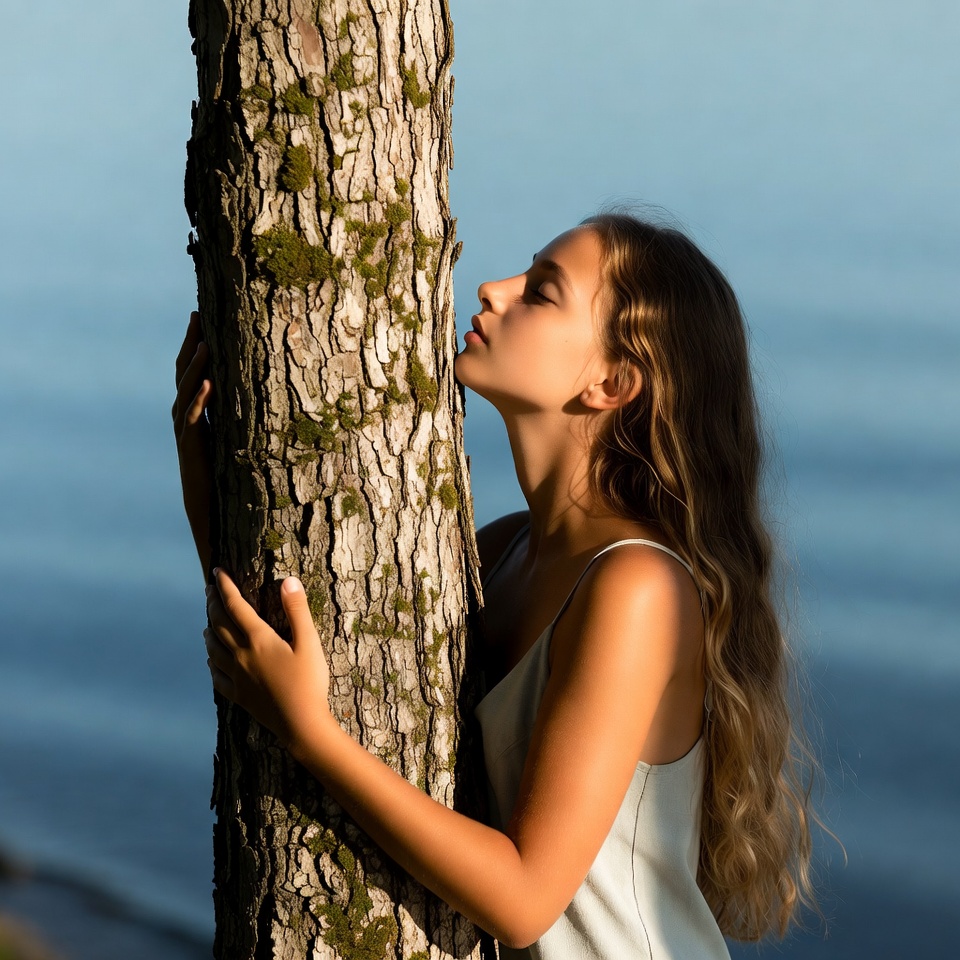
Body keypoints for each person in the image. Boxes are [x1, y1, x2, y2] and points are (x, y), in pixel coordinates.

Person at [173, 211, 816, 957]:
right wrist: (203, 474)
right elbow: (282, 655)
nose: (491, 289)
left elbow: (523, 901)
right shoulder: (504, 549)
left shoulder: (637, 588)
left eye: (541, 292)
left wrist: (312, 736)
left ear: (613, 381)